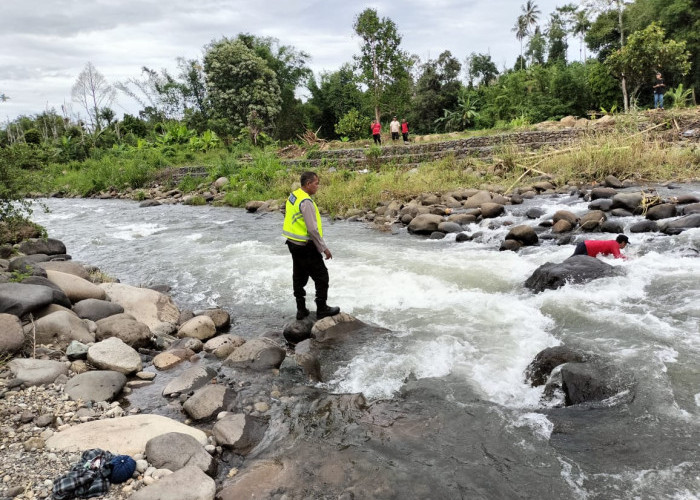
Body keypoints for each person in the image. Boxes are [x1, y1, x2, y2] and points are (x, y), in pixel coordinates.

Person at [282, 171, 340, 320]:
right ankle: (322, 308)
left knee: (299, 276)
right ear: (308, 184)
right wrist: (324, 248)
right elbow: (312, 229)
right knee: (322, 277)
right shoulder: (306, 202)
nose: (317, 186)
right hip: (305, 245)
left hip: (292, 243)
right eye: (316, 183)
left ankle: (301, 310)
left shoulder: (294, 195)